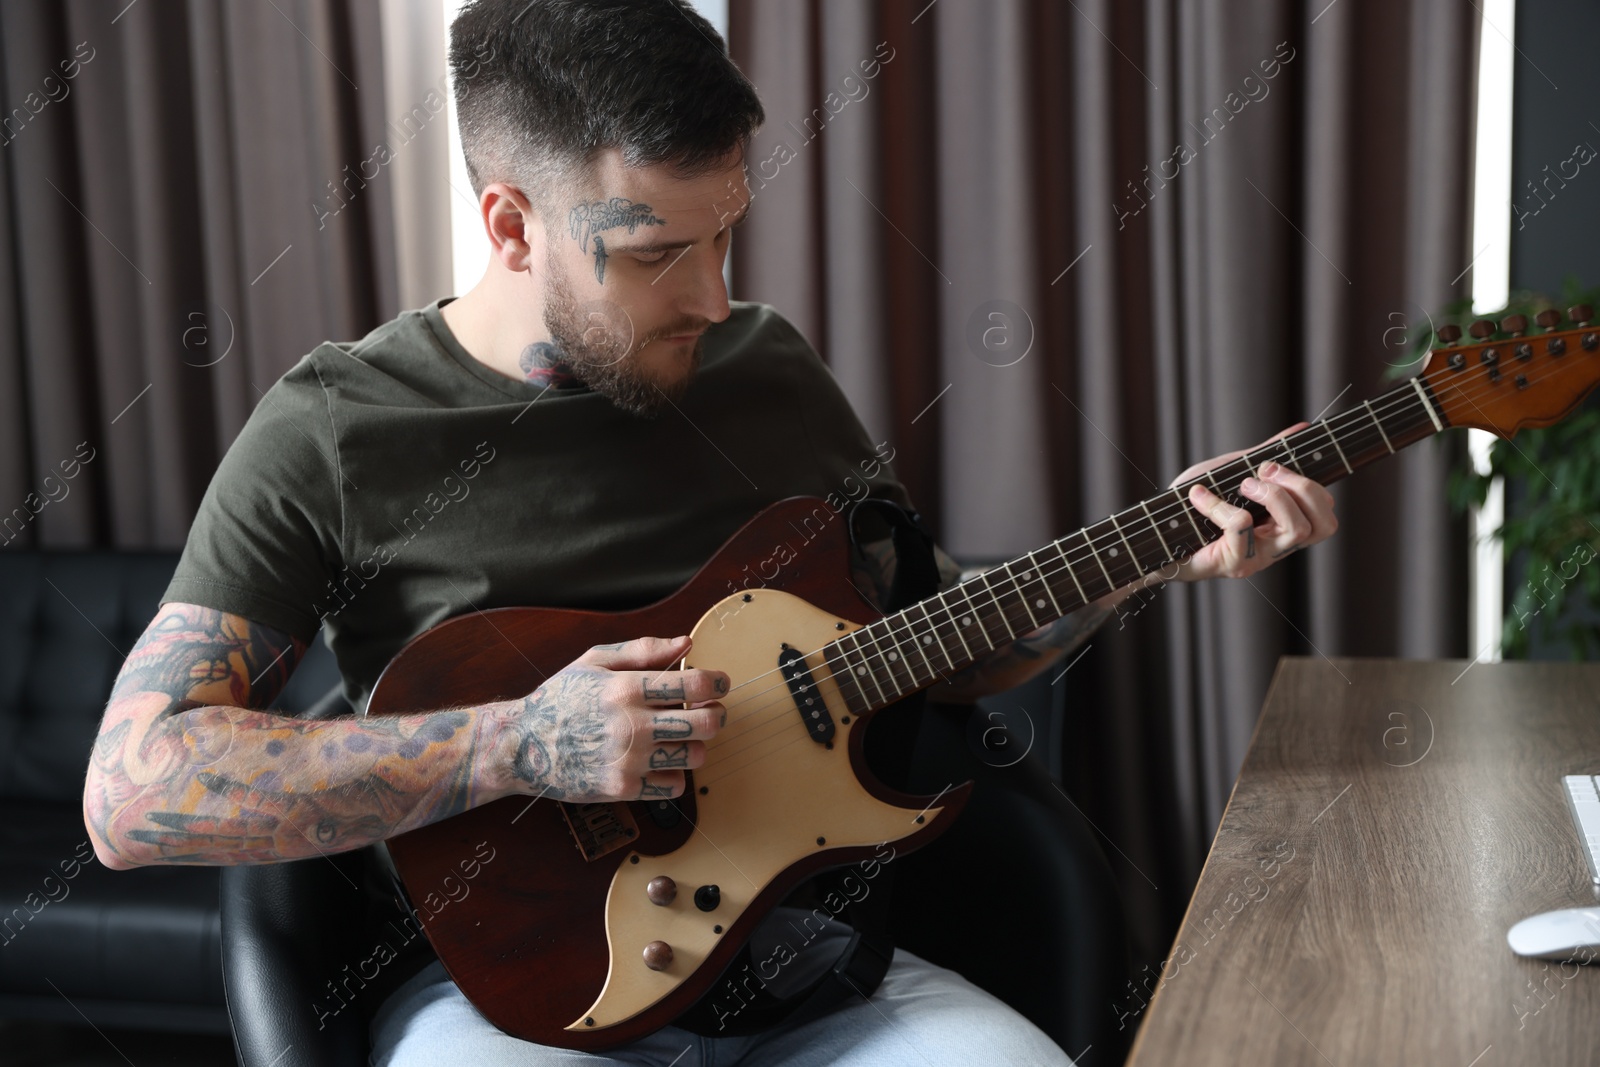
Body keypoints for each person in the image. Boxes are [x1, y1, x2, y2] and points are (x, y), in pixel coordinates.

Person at [81, 2, 1338, 1064]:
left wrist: (1155, 550)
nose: (713, 297)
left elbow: (936, 638)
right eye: (656, 253)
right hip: (515, 1010)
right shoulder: (334, 429)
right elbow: (133, 791)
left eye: (726, 232)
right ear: (513, 225)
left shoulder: (762, 366)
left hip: (812, 978)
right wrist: (520, 741)